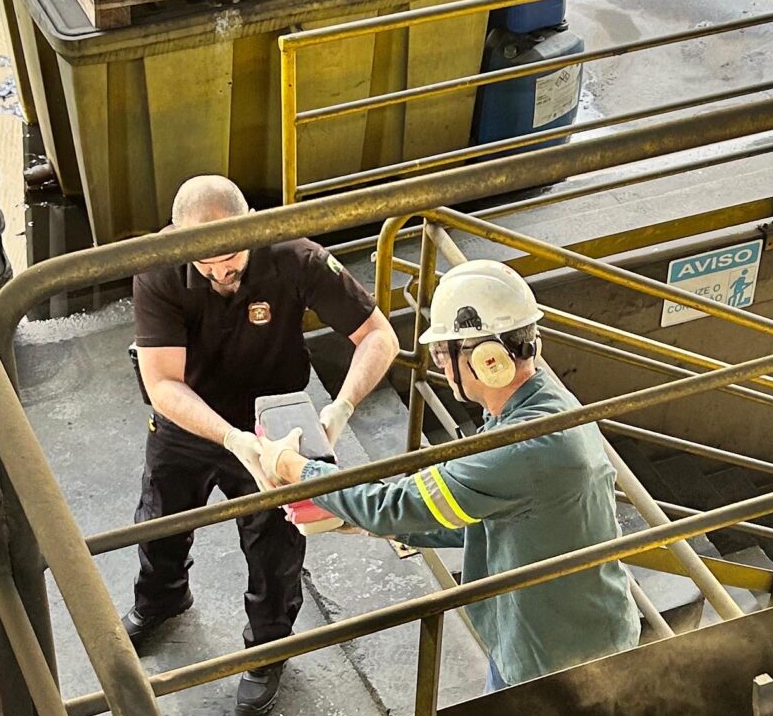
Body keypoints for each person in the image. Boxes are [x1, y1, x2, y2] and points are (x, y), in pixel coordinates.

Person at [255, 261, 640, 693]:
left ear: (486, 359)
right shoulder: (539, 404)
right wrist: (354, 522)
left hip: (553, 667)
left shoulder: (524, 448)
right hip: (558, 637)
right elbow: (486, 520)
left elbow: (392, 507)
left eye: (444, 353)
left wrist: (294, 468)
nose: (438, 365)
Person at [125, 175, 399, 716]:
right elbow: (162, 384)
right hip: (190, 418)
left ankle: (270, 646)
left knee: (275, 544)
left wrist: (339, 409)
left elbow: (378, 336)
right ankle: (161, 598)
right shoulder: (159, 268)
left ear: (252, 221)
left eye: (232, 258)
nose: (223, 274)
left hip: (275, 421)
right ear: (179, 238)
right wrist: (229, 438)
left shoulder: (297, 258)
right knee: (159, 519)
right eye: (207, 265)